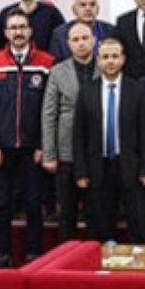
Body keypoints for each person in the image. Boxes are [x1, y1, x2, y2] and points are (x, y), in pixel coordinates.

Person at [0, 9, 55, 266]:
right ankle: (2, 255)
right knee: (2, 205)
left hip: (33, 148)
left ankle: (34, 254)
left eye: (22, 27)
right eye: (13, 28)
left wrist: (44, 145)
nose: (18, 32)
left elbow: (50, 108)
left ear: (30, 30)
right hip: (2, 149)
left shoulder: (46, 62)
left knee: (34, 204)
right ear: (5, 33)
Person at [72, 37, 145, 242]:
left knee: (138, 223)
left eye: (115, 56)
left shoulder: (137, 90)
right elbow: (79, 135)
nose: (110, 61)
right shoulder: (87, 91)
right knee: (101, 224)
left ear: (123, 59)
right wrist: (81, 172)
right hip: (98, 168)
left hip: (131, 167)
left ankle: (140, 258)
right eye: (106, 57)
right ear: (99, 60)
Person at [40, 22, 97, 242]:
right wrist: (49, 154)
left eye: (85, 38)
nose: (81, 43)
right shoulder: (57, 72)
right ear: (68, 44)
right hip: (66, 152)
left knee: (96, 211)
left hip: (97, 151)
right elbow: (49, 114)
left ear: (93, 40)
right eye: (76, 40)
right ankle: (67, 255)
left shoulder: (105, 67)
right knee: (67, 212)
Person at [48, 0, 115, 62]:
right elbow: (57, 64)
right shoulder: (60, 34)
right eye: (83, 5)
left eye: (92, 4)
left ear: (98, 9)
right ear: (74, 10)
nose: (88, 9)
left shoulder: (111, 31)